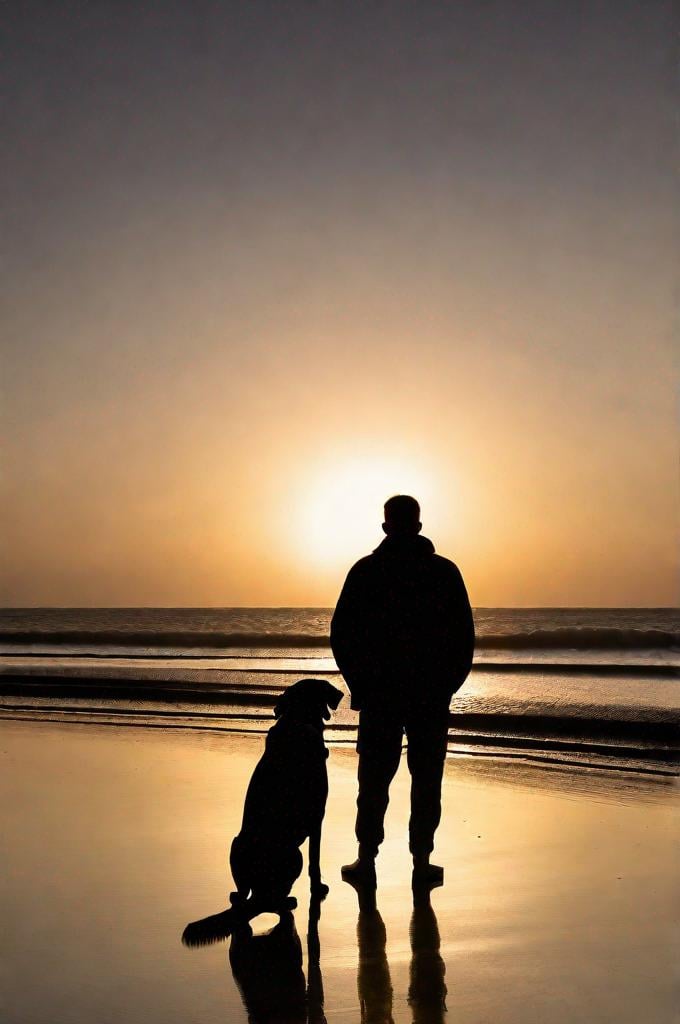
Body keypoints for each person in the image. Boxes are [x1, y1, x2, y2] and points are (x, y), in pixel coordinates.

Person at [330, 494, 474, 886]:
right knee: (426, 779)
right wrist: (446, 688)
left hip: (383, 693)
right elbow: (464, 639)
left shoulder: (366, 571)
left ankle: (367, 860)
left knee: (374, 779)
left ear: (385, 527)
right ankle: (421, 863)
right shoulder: (444, 572)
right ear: (419, 526)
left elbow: (341, 635)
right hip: (425, 695)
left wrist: (358, 683)